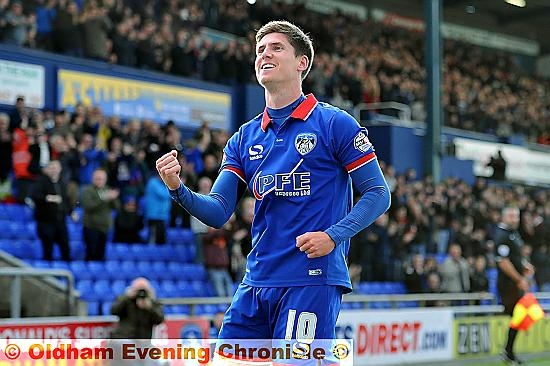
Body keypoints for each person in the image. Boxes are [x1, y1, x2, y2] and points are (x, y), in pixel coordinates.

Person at [156, 20, 390, 361]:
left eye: (276, 47)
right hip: (257, 281)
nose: (265, 53)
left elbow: (377, 193)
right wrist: (178, 188)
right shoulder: (244, 138)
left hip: (310, 279)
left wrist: (332, 236)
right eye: (260, 50)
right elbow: (219, 210)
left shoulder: (334, 123)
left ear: (302, 63)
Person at [495, 207, 533, 364]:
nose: (515, 219)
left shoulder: (514, 234)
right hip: (508, 284)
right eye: (511, 216)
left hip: (515, 284)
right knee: (518, 315)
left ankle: (509, 351)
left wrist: (525, 265)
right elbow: (502, 261)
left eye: (516, 216)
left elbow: (516, 257)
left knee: (518, 316)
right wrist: (519, 280)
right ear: (503, 217)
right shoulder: (502, 235)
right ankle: (508, 351)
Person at [31, 160, 71, 261]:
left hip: (61, 222)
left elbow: (66, 200)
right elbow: (34, 196)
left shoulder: (62, 183)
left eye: (56, 167)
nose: (54, 170)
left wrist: (71, 212)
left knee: (65, 247)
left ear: (60, 169)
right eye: (52, 167)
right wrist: (48, 198)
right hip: (46, 222)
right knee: (48, 249)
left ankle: (66, 270)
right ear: (47, 169)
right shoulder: (41, 181)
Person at [81, 168, 119, 261]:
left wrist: (113, 198)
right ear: (93, 179)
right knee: (91, 254)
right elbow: (89, 206)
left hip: (104, 228)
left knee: (101, 255)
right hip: (91, 227)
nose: (100, 181)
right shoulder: (88, 190)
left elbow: (117, 207)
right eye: (97, 178)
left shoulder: (107, 189)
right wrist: (104, 198)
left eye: (102, 178)